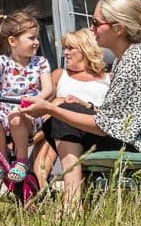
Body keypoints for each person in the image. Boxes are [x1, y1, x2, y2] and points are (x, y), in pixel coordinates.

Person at [23, 0, 141, 204]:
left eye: (96, 23)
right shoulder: (128, 58)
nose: (91, 28)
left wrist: (51, 109)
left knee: (61, 118)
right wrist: (83, 106)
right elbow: (121, 116)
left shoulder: (135, 60)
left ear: (118, 29)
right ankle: (74, 200)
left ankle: (72, 203)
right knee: (65, 114)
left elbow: (108, 127)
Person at [0, 7, 53, 184]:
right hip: (3, 111)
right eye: (31, 38)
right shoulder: (2, 62)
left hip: (28, 112)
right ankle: (2, 162)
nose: (36, 42)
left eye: (37, 37)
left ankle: (21, 162)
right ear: (13, 41)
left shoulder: (40, 63)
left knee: (15, 117)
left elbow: (48, 89)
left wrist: (36, 99)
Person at [31, 28, 110, 187]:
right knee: (58, 120)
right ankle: (39, 189)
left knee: (61, 112)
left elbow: (112, 114)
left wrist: (84, 104)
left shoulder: (109, 78)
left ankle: (37, 190)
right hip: (58, 132)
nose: (65, 52)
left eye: (70, 48)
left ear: (86, 50)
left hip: (93, 132)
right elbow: (42, 105)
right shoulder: (60, 74)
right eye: (65, 48)